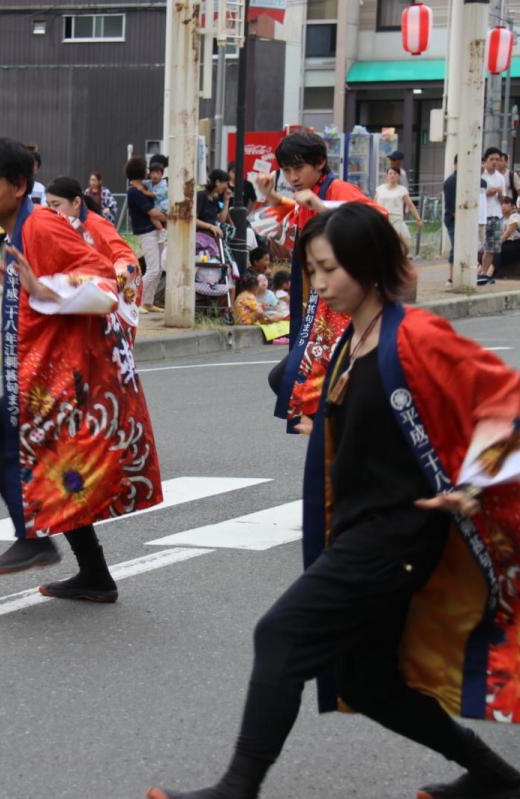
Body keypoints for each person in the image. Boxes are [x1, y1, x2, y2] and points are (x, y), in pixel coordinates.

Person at [147, 202, 520, 799]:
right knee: (369, 683)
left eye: (329, 270)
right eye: (312, 272)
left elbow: (506, 399)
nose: (319, 285)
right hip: (358, 529)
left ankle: (237, 789)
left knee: (281, 635)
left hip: (394, 537)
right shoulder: (356, 337)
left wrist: (475, 481)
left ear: (368, 265)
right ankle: (497, 778)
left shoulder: (415, 335)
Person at [0, 137, 163, 601]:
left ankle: (35, 538)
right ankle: (94, 575)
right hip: (48, 372)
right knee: (58, 465)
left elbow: (104, 283)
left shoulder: (41, 228)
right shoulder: (23, 228)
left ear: (17, 186)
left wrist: (47, 288)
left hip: (65, 375)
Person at [253, 131, 385, 429]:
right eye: (286, 170)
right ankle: (338, 433)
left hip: (340, 310)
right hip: (316, 306)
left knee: (295, 380)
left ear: (320, 162)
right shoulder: (311, 194)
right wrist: (273, 197)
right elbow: (292, 226)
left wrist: (321, 207)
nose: (292, 176)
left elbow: (377, 217)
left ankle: (341, 432)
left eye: (298, 168)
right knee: (299, 382)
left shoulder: (337, 189)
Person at [45, 175, 142, 341]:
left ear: (76, 203)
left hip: (108, 301)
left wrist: (108, 286)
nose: (52, 211)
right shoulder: (65, 225)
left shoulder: (96, 225)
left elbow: (128, 260)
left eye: (56, 205)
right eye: (48, 205)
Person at [125, 157, 166, 312]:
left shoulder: (143, 188)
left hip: (155, 230)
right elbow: (152, 211)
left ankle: (148, 302)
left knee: (159, 268)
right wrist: (171, 217)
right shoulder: (134, 192)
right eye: (146, 169)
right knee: (153, 269)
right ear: (140, 171)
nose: (148, 172)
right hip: (146, 232)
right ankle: (135, 300)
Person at [375, 165, 421, 257]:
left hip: (396, 220)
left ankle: (396, 261)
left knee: (394, 242)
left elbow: (410, 205)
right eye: (390, 173)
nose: (392, 175)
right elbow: (374, 204)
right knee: (382, 242)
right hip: (382, 219)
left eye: (395, 174)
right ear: (387, 176)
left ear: (398, 176)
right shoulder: (380, 189)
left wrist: (418, 219)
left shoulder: (402, 190)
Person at [480, 147, 506, 285]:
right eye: (492, 159)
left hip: (496, 214)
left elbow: (502, 201)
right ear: (486, 160)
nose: (495, 162)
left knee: (492, 247)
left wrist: (500, 194)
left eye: (497, 159)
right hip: (483, 216)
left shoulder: (501, 178)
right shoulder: (480, 176)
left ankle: (484, 273)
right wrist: (487, 192)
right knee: (480, 245)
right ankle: (476, 272)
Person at [196, 169, 231, 249]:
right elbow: (194, 220)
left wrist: (226, 200)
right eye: (225, 183)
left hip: (213, 237)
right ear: (218, 182)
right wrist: (210, 227)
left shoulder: (215, 199)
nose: (226, 187)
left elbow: (221, 220)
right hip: (201, 238)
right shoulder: (201, 196)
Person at [443, 156, 457, 285]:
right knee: (456, 246)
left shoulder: (467, 179)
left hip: (461, 220)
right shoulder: (451, 181)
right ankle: (451, 276)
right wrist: (456, 215)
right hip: (453, 219)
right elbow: (450, 203)